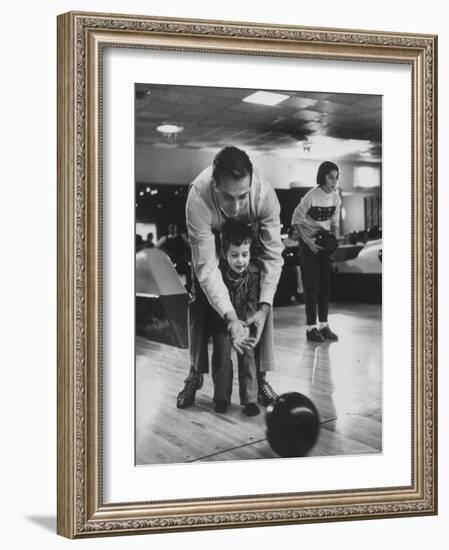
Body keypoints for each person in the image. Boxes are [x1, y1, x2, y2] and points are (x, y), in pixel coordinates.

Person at [176, 146, 284, 409]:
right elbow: (207, 269)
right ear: (214, 186)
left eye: (242, 197)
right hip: (214, 252)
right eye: (227, 198)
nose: (235, 207)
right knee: (199, 300)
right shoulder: (198, 198)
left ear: (251, 184)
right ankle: (194, 375)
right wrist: (231, 317)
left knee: (262, 302)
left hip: (245, 247)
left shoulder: (265, 195)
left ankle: (261, 380)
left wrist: (263, 307)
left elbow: (272, 256)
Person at [210, 219, 261, 416]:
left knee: (247, 355)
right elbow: (215, 299)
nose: (240, 260)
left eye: (245, 255)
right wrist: (229, 322)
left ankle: (249, 399)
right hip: (222, 324)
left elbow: (252, 301)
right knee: (222, 358)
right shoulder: (218, 273)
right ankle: (221, 398)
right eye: (235, 255)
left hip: (244, 323)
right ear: (224, 254)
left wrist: (246, 324)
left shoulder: (253, 274)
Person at [291, 161, 342, 343]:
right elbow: (296, 220)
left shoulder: (336, 198)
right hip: (307, 244)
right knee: (311, 286)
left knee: (325, 286)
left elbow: (335, 224)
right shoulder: (310, 197)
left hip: (323, 243)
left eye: (336, 177)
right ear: (323, 177)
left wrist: (334, 244)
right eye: (330, 177)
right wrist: (308, 243)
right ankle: (311, 328)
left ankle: (324, 325)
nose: (334, 181)